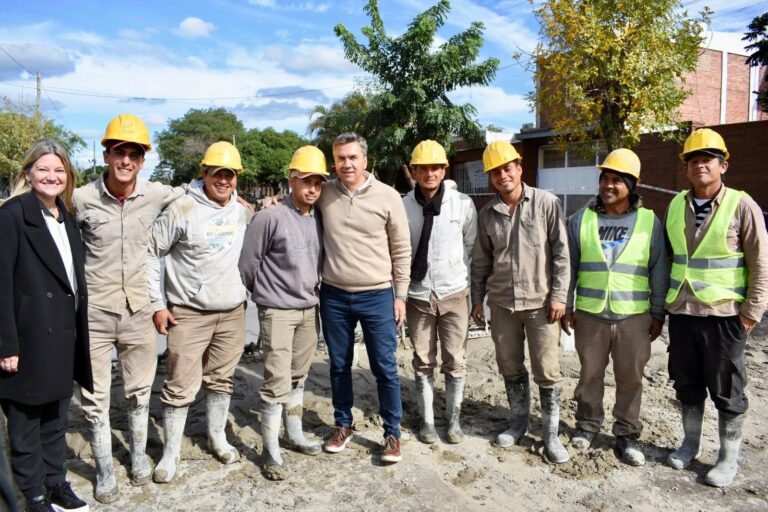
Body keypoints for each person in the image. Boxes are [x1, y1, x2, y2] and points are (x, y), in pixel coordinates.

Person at [73, 114, 185, 503]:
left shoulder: (155, 194)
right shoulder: (81, 198)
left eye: (134, 154)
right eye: (119, 152)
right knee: (94, 395)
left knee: (139, 390)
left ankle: (138, 457)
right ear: (106, 154)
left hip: (139, 310)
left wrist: (240, 201)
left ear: (142, 160)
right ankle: (105, 470)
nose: (126, 161)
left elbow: (192, 192)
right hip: (94, 312)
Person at [665, 128, 768, 487]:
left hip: (724, 316)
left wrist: (752, 312)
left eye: (707, 159)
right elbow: (672, 257)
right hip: (682, 312)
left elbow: (760, 261)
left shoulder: (742, 204)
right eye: (693, 160)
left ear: (723, 166)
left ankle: (727, 458)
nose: (700, 165)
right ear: (686, 168)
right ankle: (690, 444)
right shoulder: (676, 205)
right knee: (687, 384)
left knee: (727, 389)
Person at [146, 141, 252, 483]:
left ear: (237, 178)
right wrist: (157, 304)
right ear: (204, 173)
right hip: (188, 313)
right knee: (180, 384)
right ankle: (171, 452)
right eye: (217, 173)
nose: (223, 180)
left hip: (232, 311)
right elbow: (152, 253)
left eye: (230, 175)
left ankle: (217, 437)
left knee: (221, 379)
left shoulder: (241, 211)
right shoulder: (182, 208)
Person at [0, 139, 93, 512]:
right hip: (27, 337)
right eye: (43, 169)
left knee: (56, 421)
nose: (51, 177)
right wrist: (6, 345)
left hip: (61, 335)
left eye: (59, 170)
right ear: (28, 173)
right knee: (25, 426)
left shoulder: (65, 216)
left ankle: (56, 483)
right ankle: (34, 495)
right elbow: (1, 285)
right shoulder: (12, 215)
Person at [561, 148, 669, 466]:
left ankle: (627, 433)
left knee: (630, 379)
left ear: (632, 185)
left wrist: (658, 313)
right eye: (604, 178)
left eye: (617, 180)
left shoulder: (649, 222)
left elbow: (659, 270)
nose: (608, 185)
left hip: (633, 317)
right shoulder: (582, 219)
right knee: (589, 375)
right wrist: (567, 304)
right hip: (590, 314)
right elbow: (569, 266)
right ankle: (587, 425)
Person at [470, 140, 570, 464]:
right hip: (502, 305)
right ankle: (518, 423)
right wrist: (477, 301)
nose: (503, 176)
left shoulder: (546, 203)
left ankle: (551, 435)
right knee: (510, 366)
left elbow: (562, 254)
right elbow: (481, 262)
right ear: (491, 177)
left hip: (541, 304)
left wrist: (559, 295)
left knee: (547, 370)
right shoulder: (487, 214)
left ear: (519, 167)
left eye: (507, 168)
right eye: (495, 172)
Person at [318, 133, 411, 463]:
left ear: (365, 160)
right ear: (334, 162)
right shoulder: (324, 193)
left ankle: (392, 433)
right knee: (339, 365)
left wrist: (400, 295)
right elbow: (297, 197)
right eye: (341, 158)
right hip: (334, 295)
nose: (347, 164)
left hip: (377, 295)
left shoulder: (388, 196)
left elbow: (401, 249)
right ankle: (343, 425)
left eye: (353, 157)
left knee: (385, 367)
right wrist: (272, 201)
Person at [239, 145, 328, 480]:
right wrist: (266, 297)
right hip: (277, 310)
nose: (312, 188)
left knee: (298, 376)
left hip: (309, 308)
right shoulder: (269, 217)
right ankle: (270, 450)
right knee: (276, 380)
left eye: (317, 182)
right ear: (291, 180)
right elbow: (248, 264)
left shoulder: (319, 218)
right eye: (306, 181)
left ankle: (294, 433)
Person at [402, 140, 477, 445]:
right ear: (414, 171)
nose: (429, 173)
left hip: (454, 294)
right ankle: (427, 421)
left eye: (435, 167)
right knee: (422, 359)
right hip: (418, 296)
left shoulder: (462, 204)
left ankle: (454, 421)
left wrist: (464, 283)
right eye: (423, 168)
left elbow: (471, 246)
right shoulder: (404, 205)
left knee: (455, 359)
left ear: (444, 170)